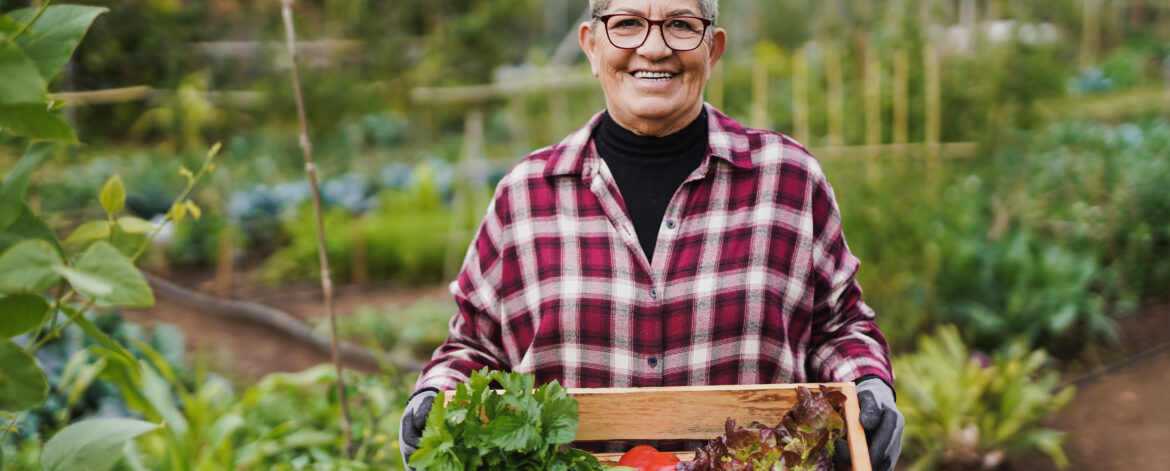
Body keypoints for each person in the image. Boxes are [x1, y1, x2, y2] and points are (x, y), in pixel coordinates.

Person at [400, 0, 903, 469]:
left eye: (682, 25)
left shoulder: (788, 179)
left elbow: (839, 327)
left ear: (714, 49)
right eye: (626, 24)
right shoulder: (525, 195)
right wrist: (435, 396)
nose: (655, 47)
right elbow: (474, 347)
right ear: (592, 46)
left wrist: (868, 384)